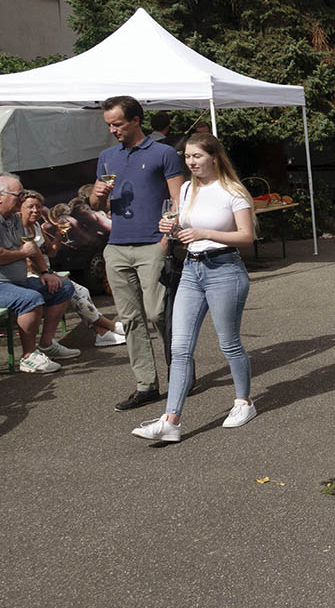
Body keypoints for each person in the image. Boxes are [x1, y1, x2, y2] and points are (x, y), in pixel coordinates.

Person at [132, 133, 257, 443]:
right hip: (191, 269)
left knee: (228, 343)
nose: (191, 162)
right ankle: (171, 420)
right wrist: (172, 229)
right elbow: (184, 228)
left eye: (197, 156)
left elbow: (246, 238)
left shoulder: (233, 191)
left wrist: (205, 232)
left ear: (214, 157)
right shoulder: (187, 188)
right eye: (187, 157)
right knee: (179, 348)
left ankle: (244, 402)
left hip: (225, 269)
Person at [93, 96, 185, 410]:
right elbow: (98, 206)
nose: (112, 130)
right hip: (117, 247)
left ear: (135, 120)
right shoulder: (107, 157)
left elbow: (178, 200)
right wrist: (97, 196)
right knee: (130, 319)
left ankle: (181, 370)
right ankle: (146, 385)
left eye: (117, 124)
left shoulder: (165, 153)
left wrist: (166, 240)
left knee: (158, 313)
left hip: (152, 245)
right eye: (109, 125)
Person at [20, 192, 124, 347]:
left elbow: (51, 251)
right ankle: (109, 326)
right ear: (20, 208)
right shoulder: (18, 228)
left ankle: (102, 333)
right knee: (74, 291)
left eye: (38, 207)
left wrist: (59, 235)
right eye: (30, 207)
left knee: (82, 291)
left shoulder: (36, 226)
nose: (35, 210)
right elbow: (27, 261)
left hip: (45, 272)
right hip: (31, 275)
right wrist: (48, 274)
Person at [0, 174, 80, 372]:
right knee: (30, 298)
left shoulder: (14, 218)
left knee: (63, 286)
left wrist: (46, 271)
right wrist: (22, 253)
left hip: (16, 281)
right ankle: (28, 356)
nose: (22, 198)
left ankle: (46, 344)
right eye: (18, 195)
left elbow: (32, 248)